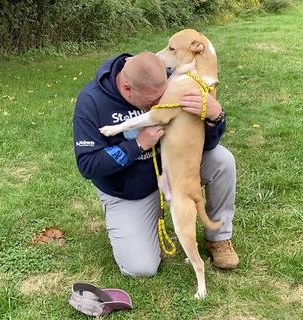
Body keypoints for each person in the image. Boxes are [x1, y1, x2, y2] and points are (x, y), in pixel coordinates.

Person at [72, 51, 238, 277]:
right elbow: (88, 165)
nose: (159, 105)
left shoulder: (168, 81)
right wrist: (138, 144)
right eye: (152, 101)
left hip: (176, 169)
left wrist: (215, 116)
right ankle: (130, 219)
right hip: (129, 190)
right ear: (128, 89)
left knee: (222, 160)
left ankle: (218, 238)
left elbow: (205, 144)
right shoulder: (92, 101)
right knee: (141, 269)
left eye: (162, 97)